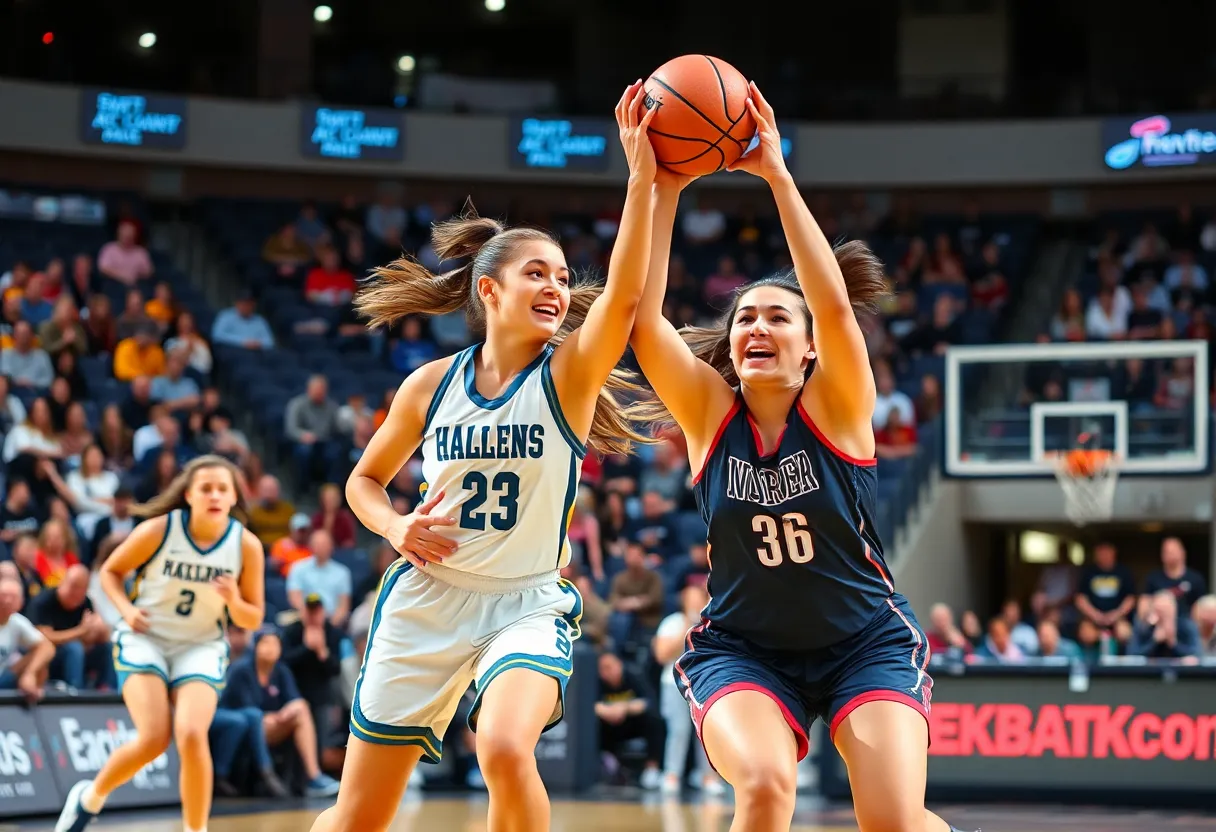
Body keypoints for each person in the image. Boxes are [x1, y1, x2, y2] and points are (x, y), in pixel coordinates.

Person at [309, 81, 658, 832]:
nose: (558, 288)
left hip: (524, 602)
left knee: (502, 746)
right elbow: (362, 481)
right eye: (539, 273)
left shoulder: (567, 376)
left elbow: (624, 300)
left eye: (565, 278)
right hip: (427, 599)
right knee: (357, 817)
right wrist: (395, 527)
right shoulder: (428, 385)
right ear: (489, 289)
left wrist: (642, 180)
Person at [628, 84, 974, 832]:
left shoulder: (839, 406)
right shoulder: (708, 415)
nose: (755, 324)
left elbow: (837, 303)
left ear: (810, 344)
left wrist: (777, 175)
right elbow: (643, 321)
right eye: (744, 315)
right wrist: (654, 188)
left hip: (865, 642)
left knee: (893, 819)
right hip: (745, 649)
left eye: (777, 315)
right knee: (760, 787)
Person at [54, 455, 266, 832]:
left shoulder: (245, 545)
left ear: (235, 496)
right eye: (206, 488)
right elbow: (110, 572)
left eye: (222, 488)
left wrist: (234, 600)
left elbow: (252, 618)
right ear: (188, 494)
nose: (214, 495)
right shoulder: (159, 530)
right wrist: (124, 611)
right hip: (146, 637)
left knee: (190, 732)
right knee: (154, 738)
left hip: (200, 644)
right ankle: (89, 797)